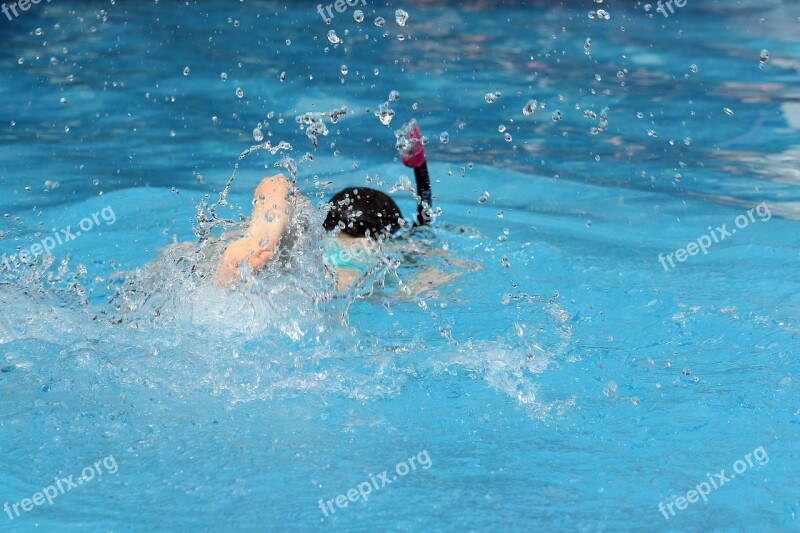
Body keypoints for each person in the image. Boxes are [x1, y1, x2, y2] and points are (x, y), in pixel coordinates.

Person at [214, 119, 433, 290]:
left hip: (295, 261)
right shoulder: (384, 248)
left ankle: (261, 234)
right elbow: (434, 283)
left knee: (284, 191)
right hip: (332, 286)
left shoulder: (319, 240)